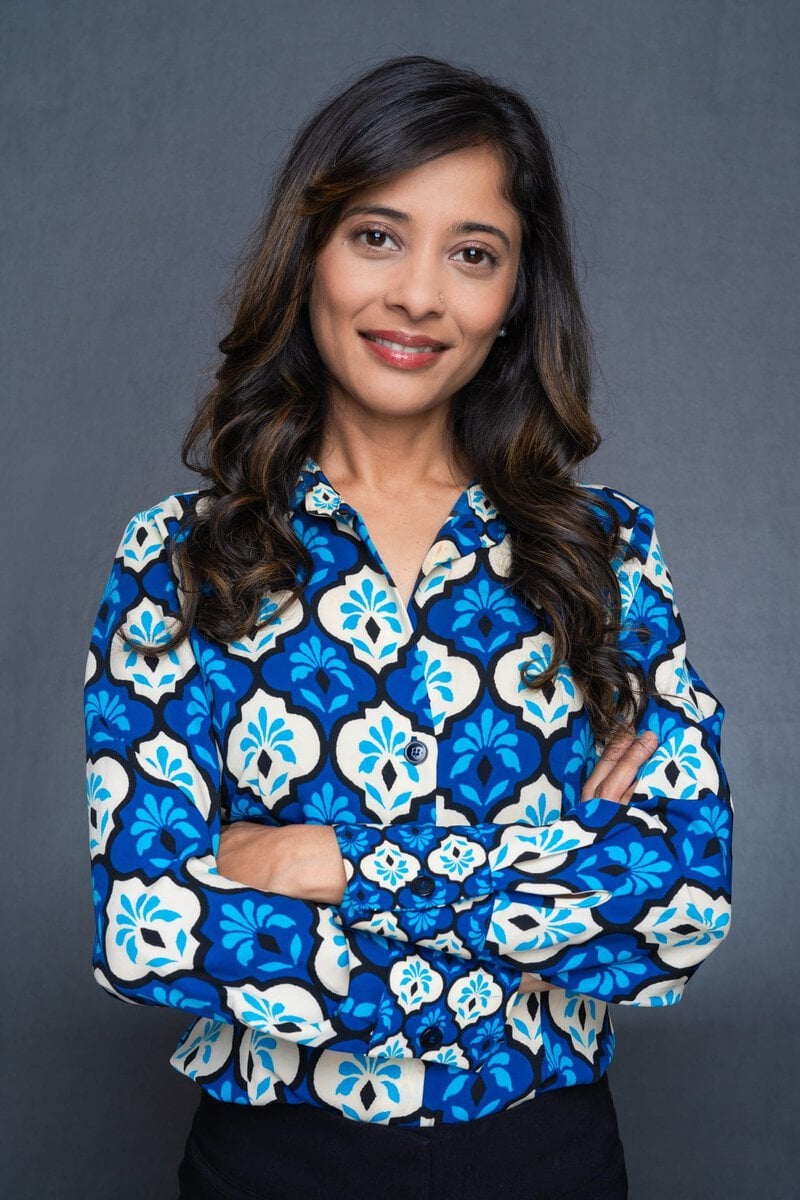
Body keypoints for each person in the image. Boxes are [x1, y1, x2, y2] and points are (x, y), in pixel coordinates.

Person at [83, 54, 732, 1200]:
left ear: (513, 297)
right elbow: (147, 928)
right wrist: (533, 891)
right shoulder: (178, 563)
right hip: (276, 1165)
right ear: (311, 256)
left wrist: (324, 861)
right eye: (378, 236)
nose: (419, 296)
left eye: (471, 254)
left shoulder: (604, 556)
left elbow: (679, 897)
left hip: (547, 1157)